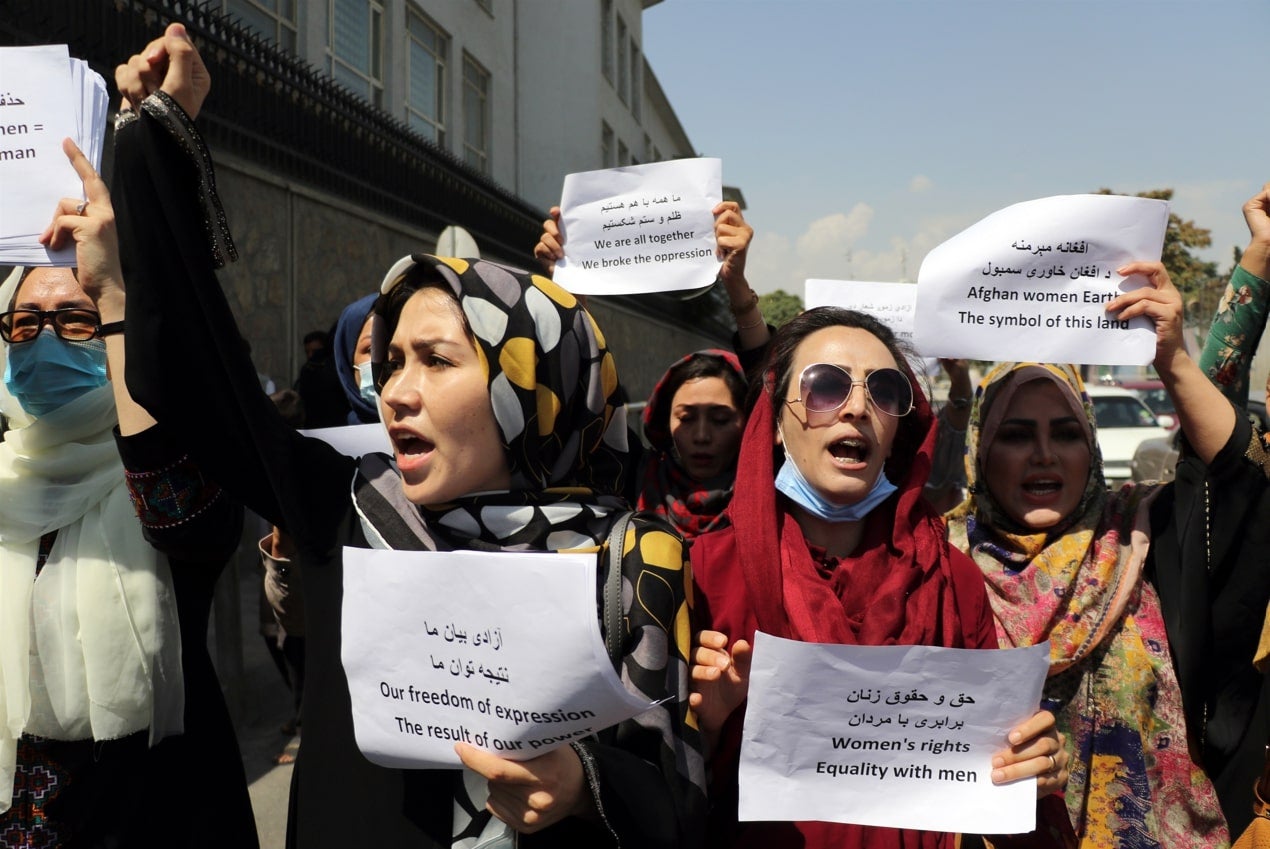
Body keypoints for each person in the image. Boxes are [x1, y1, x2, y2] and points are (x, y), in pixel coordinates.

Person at [112, 24, 705, 848]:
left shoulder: (635, 561)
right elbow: (192, 369)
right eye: (390, 363)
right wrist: (157, 145)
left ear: (529, 387)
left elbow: (681, 799)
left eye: (436, 359)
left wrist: (584, 786)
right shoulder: (347, 510)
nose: (397, 392)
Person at [689, 307, 1070, 849]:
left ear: (897, 432)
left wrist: (1029, 773)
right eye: (826, 387)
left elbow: (995, 787)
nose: (858, 408)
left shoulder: (952, 580)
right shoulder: (704, 573)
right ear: (774, 422)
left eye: (885, 391)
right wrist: (705, 727)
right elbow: (641, 798)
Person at [946, 259, 1270, 846]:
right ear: (980, 452)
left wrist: (1180, 348)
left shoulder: (1143, 536)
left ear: (1090, 449)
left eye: (1066, 433)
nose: (1045, 453)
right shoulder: (939, 564)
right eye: (1017, 435)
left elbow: (1231, 472)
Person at [0, 136, 254, 846]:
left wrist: (113, 290)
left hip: (153, 815)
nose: (43, 340)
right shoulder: (3, 479)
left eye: (74, 320)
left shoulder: (171, 464)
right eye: (23, 323)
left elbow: (180, 517)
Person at [636, 349, 747, 539]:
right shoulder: (635, 482)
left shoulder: (771, 495)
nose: (701, 436)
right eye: (686, 418)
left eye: (720, 420)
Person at [331, 292, 378, 424]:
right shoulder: (335, 441)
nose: (386, 359)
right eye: (372, 349)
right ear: (348, 359)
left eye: (394, 348)